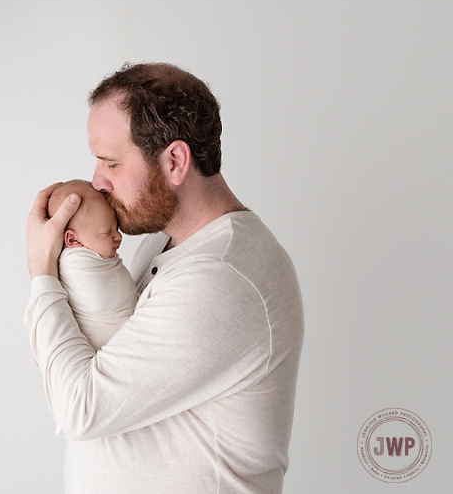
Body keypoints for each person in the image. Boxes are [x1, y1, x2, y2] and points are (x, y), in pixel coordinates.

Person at [25, 63, 304, 494]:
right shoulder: (164, 245)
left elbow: (80, 409)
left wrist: (41, 273)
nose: (97, 181)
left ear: (175, 160)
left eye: (111, 162)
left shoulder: (221, 277)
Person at [46, 179, 137, 350]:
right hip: (100, 350)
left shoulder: (97, 255)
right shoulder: (75, 264)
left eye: (116, 228)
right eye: (106, 232)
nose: (118, 237)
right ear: (72, 239)